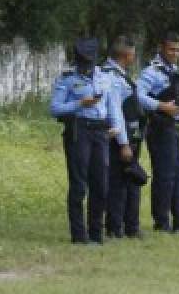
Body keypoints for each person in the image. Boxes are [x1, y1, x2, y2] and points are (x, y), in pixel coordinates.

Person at [50, 37, 132, 244]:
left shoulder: (104, 77)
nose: (86, 66)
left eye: (90, 61)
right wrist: (79, 103)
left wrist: (122, 140)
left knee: (101, 185)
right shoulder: (67, 78)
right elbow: (55, 108)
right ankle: (79, 235)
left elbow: (113, 108)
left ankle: (96, 233)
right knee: (79, 185)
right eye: (83, 62)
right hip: (79, 132)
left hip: (101, 133)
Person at [138, 32, 179, 233]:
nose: (175, 53)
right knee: (164, 176)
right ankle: (162, 222)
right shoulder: (150, 73)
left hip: (173, 128)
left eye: (178, 50)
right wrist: (161, 106)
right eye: (171, 49)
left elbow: (175, 101)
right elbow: (139, 96)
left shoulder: (174, 71)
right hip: (158, 128)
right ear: (162, 48)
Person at [101, 35, 146, 238]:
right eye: (133, 55)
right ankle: (116, 227)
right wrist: (124, 143)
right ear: (127, 55)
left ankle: (131, 226)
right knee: (119, 182)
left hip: (130, 134)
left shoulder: (116, 74)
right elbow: (115, 113)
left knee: (131, 179)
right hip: (120, 137)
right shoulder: (112, 77)